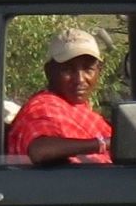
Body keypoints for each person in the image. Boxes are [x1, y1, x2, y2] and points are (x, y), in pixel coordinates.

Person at [7, 27, 114, 165]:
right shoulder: (43, 107)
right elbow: (40, 150)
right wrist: (102, 144)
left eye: (88, 69)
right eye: (68, 69)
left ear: (99, 70)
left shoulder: (81, 111)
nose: (80, 79)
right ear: (49, 72)